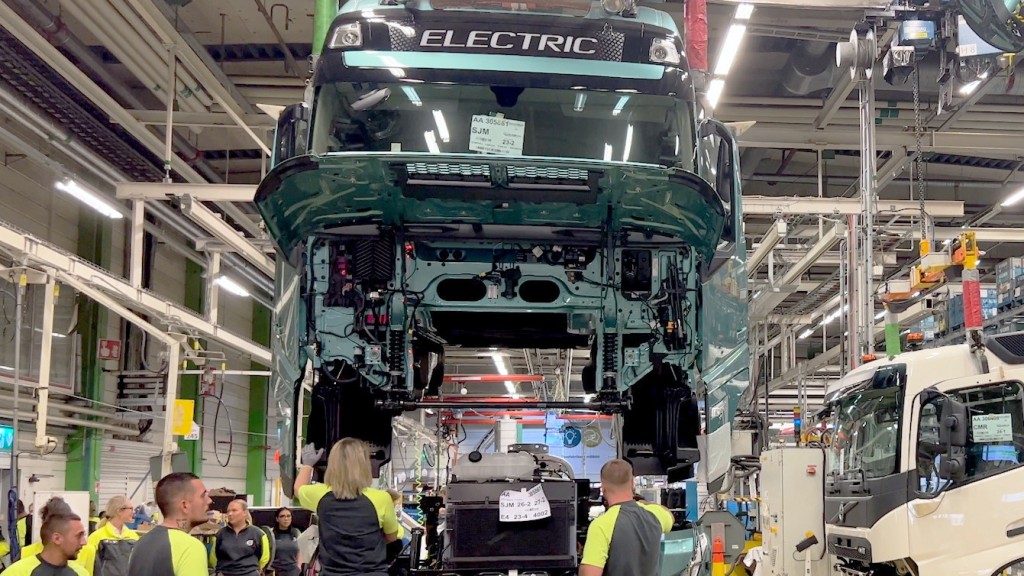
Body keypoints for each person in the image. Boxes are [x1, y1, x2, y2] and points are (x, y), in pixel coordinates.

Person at [294, 438, 401, 576]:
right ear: (364, 465)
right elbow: (392, 537)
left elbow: (298, 489)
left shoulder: (320, 495)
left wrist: (307, 465)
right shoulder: (381, 498)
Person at [579, 460, 674, 576]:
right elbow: (669, 515)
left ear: (602, 487)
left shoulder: (601, 525)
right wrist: (643, 503)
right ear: (632, 483)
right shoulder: (655, 515)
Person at [126, 472, 212, 576]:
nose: (209, 500)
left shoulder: (140, 544)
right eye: (203, 495)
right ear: (185, 506)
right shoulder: (190, 547)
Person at [4, 499, 87, 575]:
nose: (84, 542)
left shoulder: (81, 573)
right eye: (78, 536)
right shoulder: (17, 573)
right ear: (57, 538)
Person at [78, 495, 141, 575]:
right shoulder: (97, 537)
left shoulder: (134, 537)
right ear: (119, 511)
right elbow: (87, 566)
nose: (134, 511)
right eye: (131, 508)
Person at [210, 499, 270, 576]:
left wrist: (255, 571)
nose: (230, 514)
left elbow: (264, 558)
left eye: (234, 510)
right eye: (228, 511)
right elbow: (213, 558)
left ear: (244, 513)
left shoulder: (259, 534)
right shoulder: (220, 534)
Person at [268, 507, 301, 576]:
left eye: (288, 516)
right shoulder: (270, 534)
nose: (286, 519)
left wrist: (299, 566)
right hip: (275, 571)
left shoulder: (296, 532)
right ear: (277, 519)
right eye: (282, 516)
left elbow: (300, 551)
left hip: (293, 572)